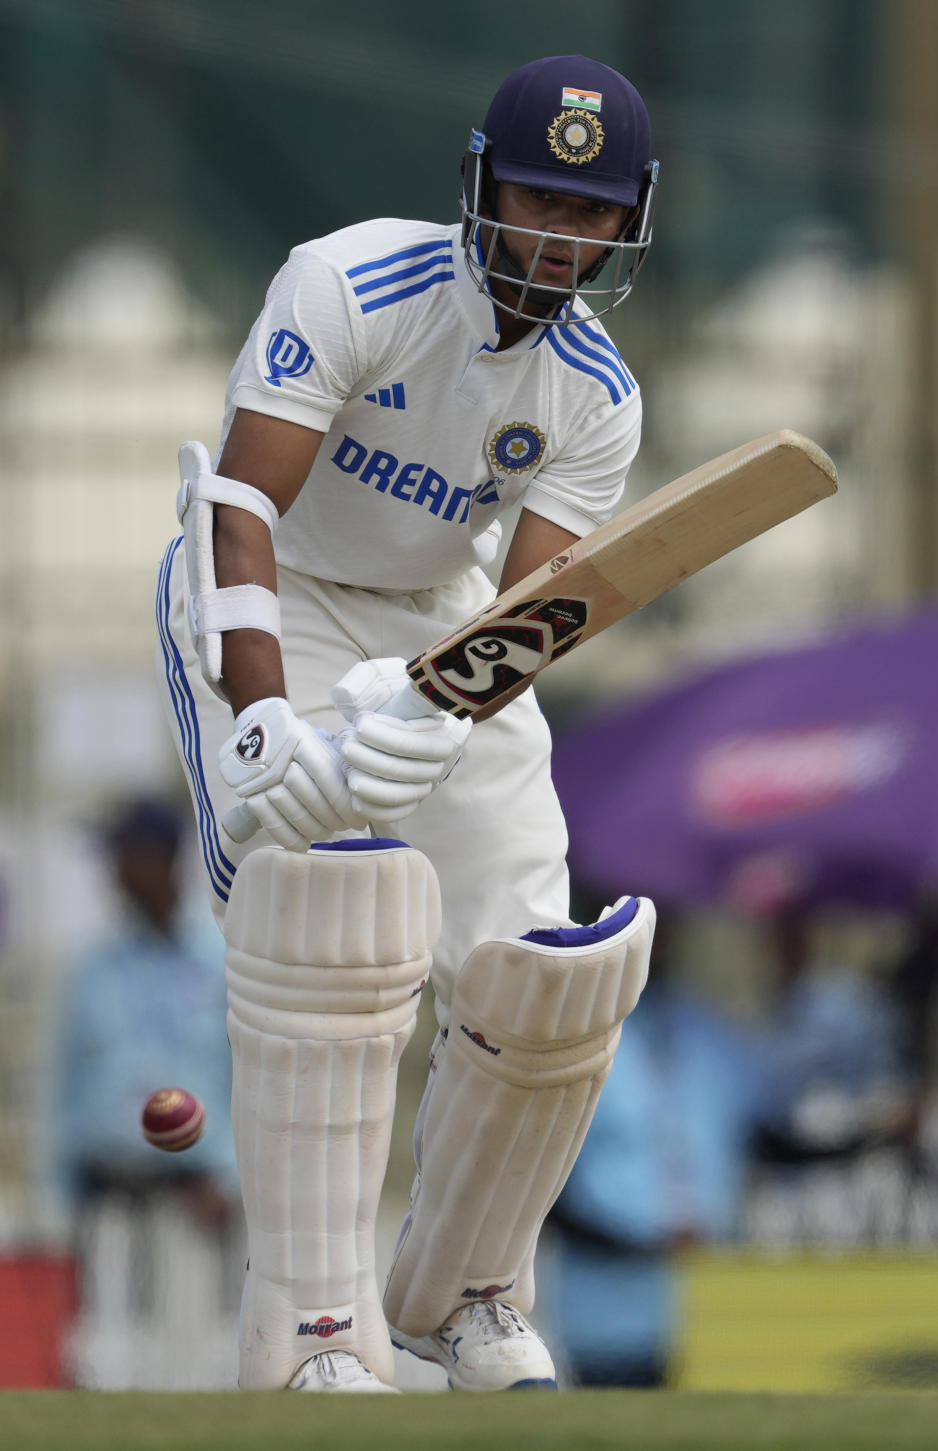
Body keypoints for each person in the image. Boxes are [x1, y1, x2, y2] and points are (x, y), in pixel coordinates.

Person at [155, 54, 659, 1393]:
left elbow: (540, 600)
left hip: (443, 617)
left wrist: (443, 703)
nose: (561, 234)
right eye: (539, 198)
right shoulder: (350, 281)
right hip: (279, 595)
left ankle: (465, 1291)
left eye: (591, 211)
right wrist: (264, 718)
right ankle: (314, 1323)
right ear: (482, 186)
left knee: (550, 965)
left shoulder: (597, 395)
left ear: (628, 221)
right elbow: (241, 508)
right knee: (318, 912)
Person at [49, 797, 241, 1388]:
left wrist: (232, 1180)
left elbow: (249, 1079)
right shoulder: (94, 966)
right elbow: (61, 1088)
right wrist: (60, 1193)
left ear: (162, 860)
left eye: (124, 856)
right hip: (109, 1194)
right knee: (105, 1360)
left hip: (195, 1198)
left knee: (195, 1363)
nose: (113, 872)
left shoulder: (222, 961)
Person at [544, 909, 771, 1387]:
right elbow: (544, 1192)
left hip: (712, 1304)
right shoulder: (574, 1039)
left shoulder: (708, 1034)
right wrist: (642, 1241)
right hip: (605, 1313)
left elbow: (764, 1133)